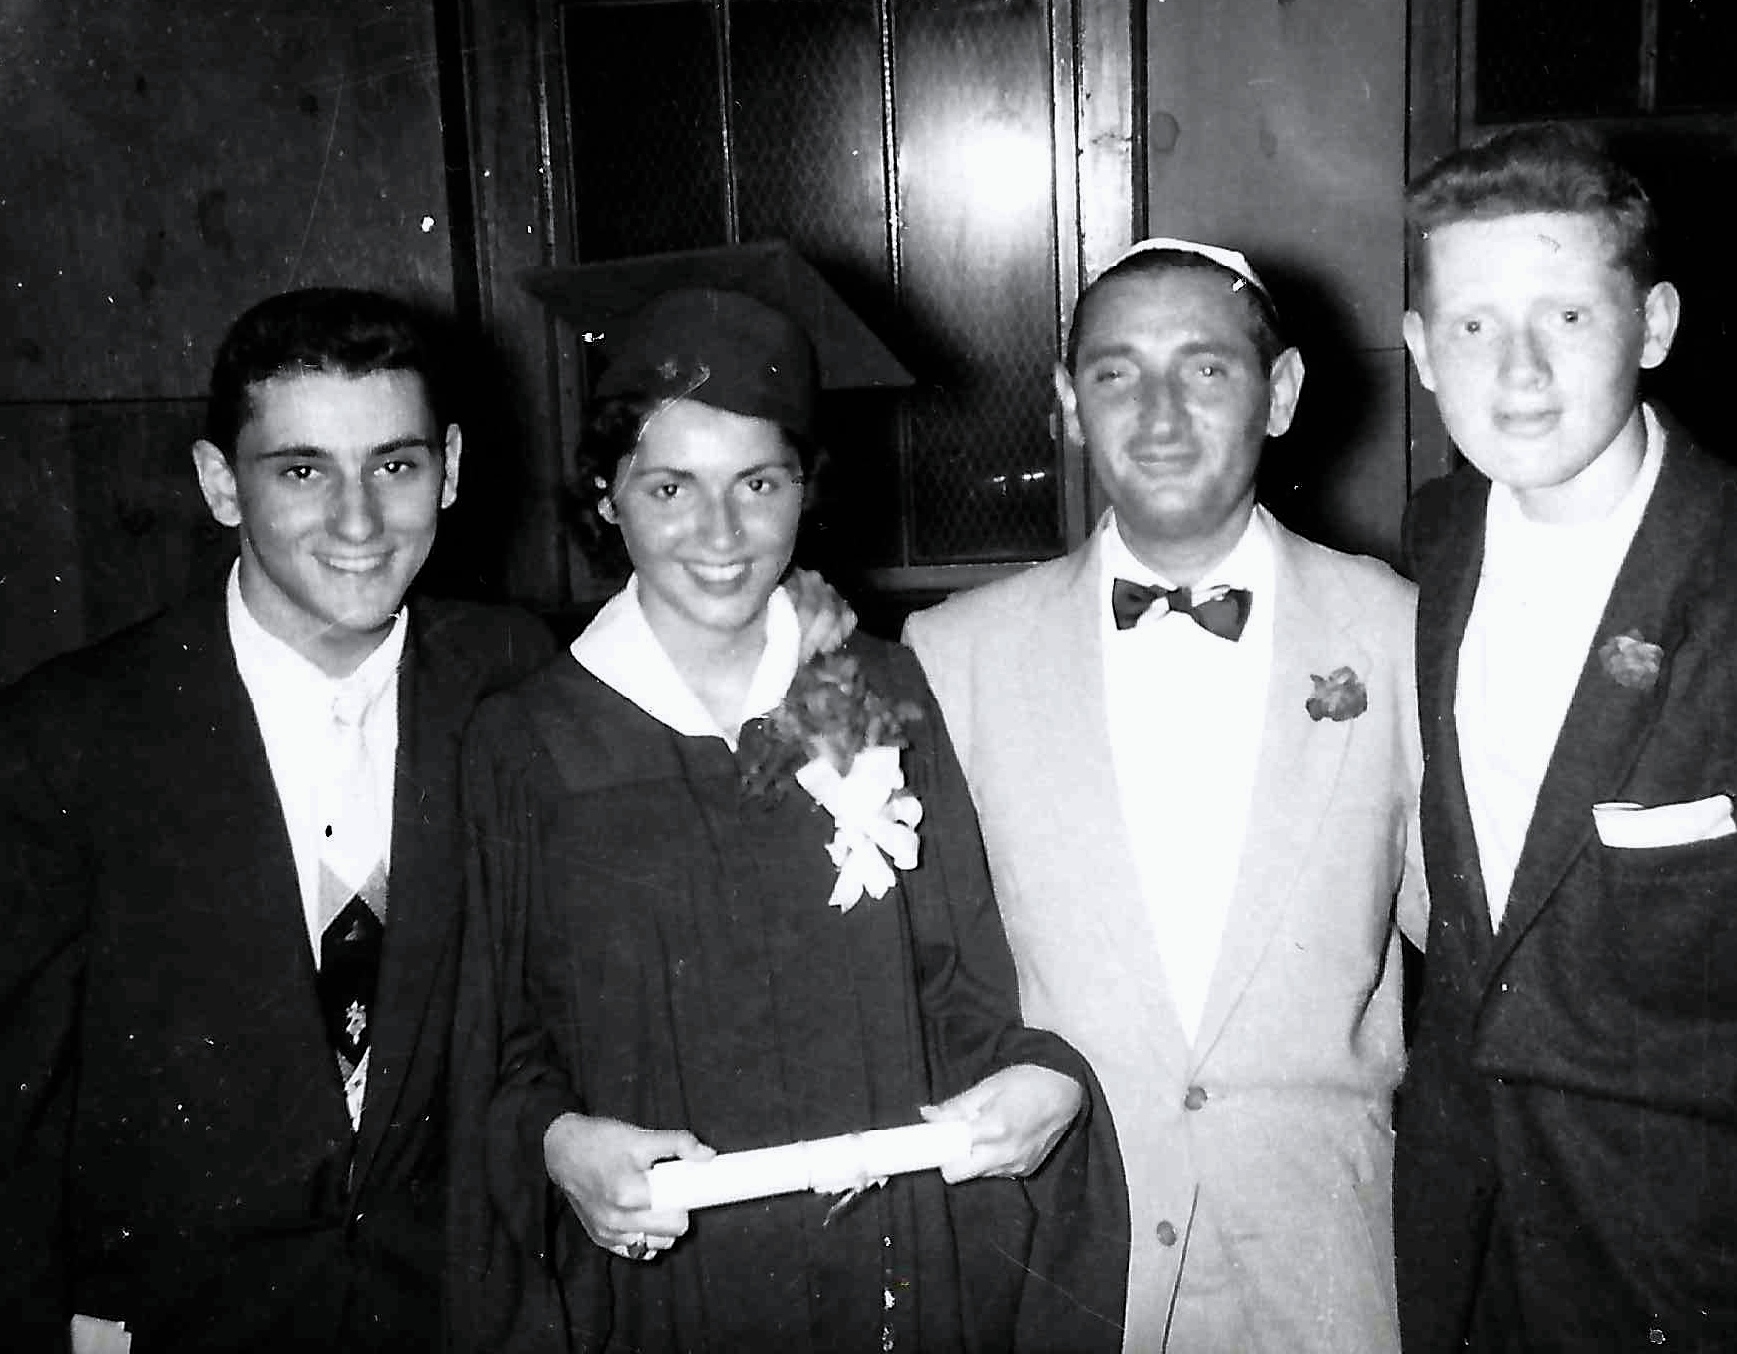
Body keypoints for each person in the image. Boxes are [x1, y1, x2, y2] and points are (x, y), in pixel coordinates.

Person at [449, 286, 1113, 1353]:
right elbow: (500, 1045)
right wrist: (556, 1139)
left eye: (759, 483)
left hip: (885, 1264)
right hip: (658, 1287)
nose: (721, 532)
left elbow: (956, 985)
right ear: (607, 496)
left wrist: (1040, 1078)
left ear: (806, 489)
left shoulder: (880, 692)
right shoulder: (528, 741)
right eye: (671, 486)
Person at [0, 288, 557, 1351]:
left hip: (451, 1316)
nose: (359, 521)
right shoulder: (66, 737)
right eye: (303, 471)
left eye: (394, 465)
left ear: (448, 467)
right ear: (221, 483)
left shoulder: (518, 677)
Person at [904, 238, 1427, 1352]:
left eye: (1205, 369)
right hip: (1065, 1257)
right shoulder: (952, 656)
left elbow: (1485, 947)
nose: (1158, 416)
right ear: (1068, 404)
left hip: (1330, 1271)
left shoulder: (1401, 632)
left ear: (1279, 394)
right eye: (1115, 374)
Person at [1395, 125, 1737, 1352]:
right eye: (1474, 325)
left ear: (1654, 325)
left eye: (1570, 317)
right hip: (1461, 1238)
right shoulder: (1432, 545)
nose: (1521, 371)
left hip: (1685, 1259)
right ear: (1421, 352)